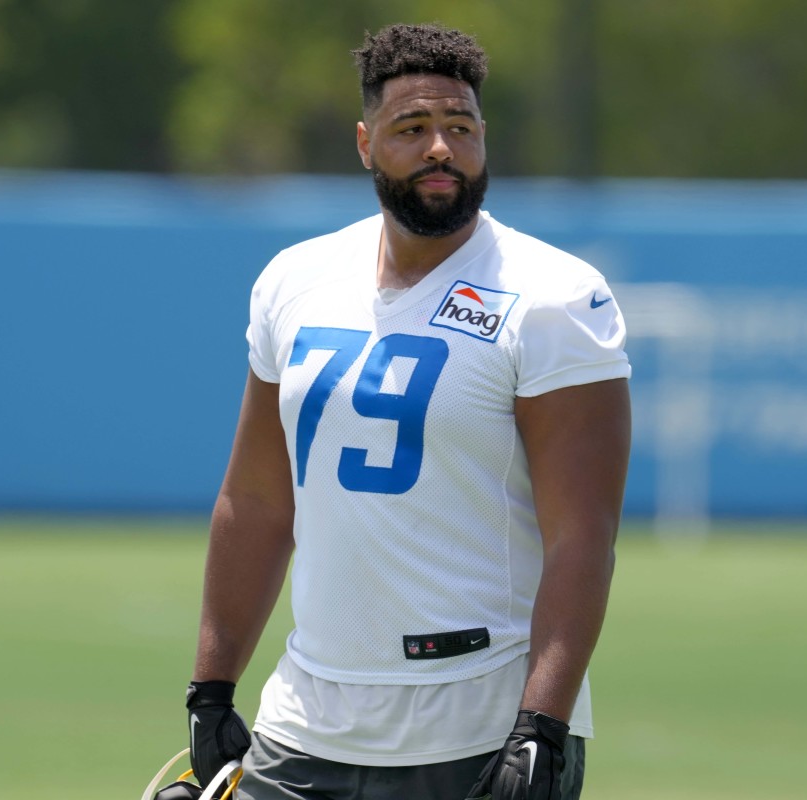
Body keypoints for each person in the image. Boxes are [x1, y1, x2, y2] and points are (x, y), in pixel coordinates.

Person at [182, 22, 631, 800]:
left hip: (476, 732)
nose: (440, 149)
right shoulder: (295, 280)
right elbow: (255, 500)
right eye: (412, 129)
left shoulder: (554, 297)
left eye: (460, 128)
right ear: (364, 143)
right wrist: (211, 689)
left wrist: (542, 728)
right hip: (304, 727)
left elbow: (582, 537)